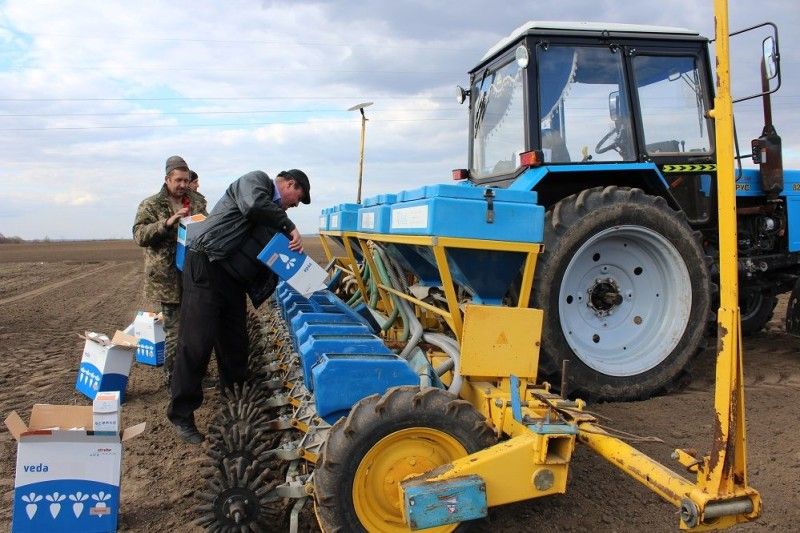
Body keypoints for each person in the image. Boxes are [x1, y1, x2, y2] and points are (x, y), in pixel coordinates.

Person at [167, 168, 310, 443]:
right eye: (295, 200)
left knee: (235, 344)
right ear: (289, 184)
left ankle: (236, 406)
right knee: (197, 343)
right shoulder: (256, 183)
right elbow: (254, 205)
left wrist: (309, 281)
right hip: (206, 265)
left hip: (232, 281)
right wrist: (289, 227)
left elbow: (275, 257)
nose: (292, 207)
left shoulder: (273, 218)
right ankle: (181, 414)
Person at [132, 156, 208, 386]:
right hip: (167, 279)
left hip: (194, 275)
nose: (183, 184)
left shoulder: (197, 201)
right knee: (175, 334)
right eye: (178, 180)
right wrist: (166, 223)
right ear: (167, 179)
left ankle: (195, 376)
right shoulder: (151, 205)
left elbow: (208, 226)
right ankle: (174, 380)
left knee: (196, 332)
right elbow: (139, 236)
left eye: (186, 180)